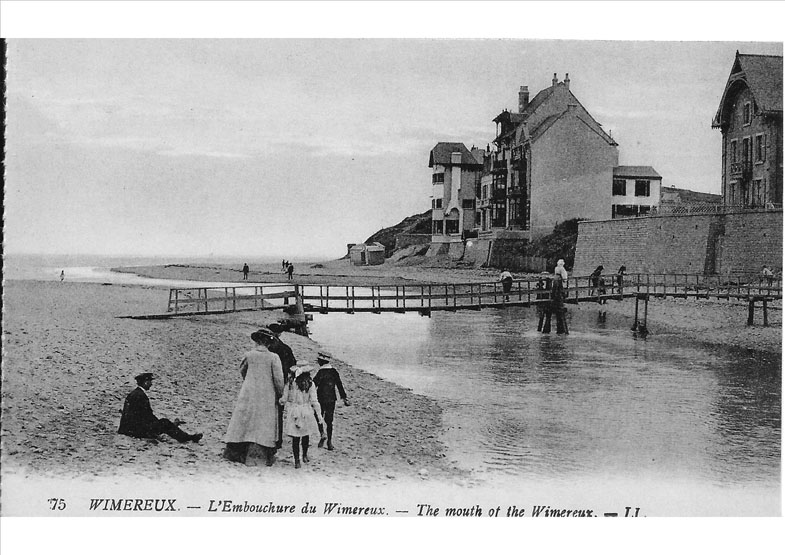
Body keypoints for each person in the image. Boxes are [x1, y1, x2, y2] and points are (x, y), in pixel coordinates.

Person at [223, 329, 285, 466]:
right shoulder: (273, 357)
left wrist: (249, 381)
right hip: (267, 393)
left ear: (257, 341)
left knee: (244, 418)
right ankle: (261, 452)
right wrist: (280, 394)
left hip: (249, 390)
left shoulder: (249, 355)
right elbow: (278, 380)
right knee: (263, 421)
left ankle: (237, 449)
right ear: (268, 343)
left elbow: (243, 371)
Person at [118, 373, 202, 443]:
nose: (151, 384)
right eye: (150, 381)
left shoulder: (134, 393)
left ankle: (176, 429)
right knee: (164, 423)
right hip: (134, 430)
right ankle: (187, 438)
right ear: (145, 382)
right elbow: (147, 415)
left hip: (127, 428)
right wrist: (158, 424)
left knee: (163, 424)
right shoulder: (140, 396)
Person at [281, 366, 325, 469]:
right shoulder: (310, 384)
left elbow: (284, 398)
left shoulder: (291, 383)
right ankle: (304, 455)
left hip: (294, 411)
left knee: (295, 438)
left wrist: (280, 402)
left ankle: (297, 461)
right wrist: (319, 416)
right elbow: (314, 401)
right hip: (306, 411)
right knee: (305, 435)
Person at [266, 323, 298, 449]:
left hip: (267, 381)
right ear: (280, 334)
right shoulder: (285, 348)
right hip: (281, 381)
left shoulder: (269, 348)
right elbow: (293, 365)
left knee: (266, 409)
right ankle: (278, 439)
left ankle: (267, 436)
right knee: (279, 410)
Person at [313, 352, 350, 450]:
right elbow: (339, 385)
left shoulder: (320, 372)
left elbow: (314, 385)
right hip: (331, 399)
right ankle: (329, 442)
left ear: (321, 362)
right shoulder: (334, 372)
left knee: (318, 416)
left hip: (320, 398)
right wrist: (344, 397)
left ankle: (322, 433)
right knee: (329, 421)